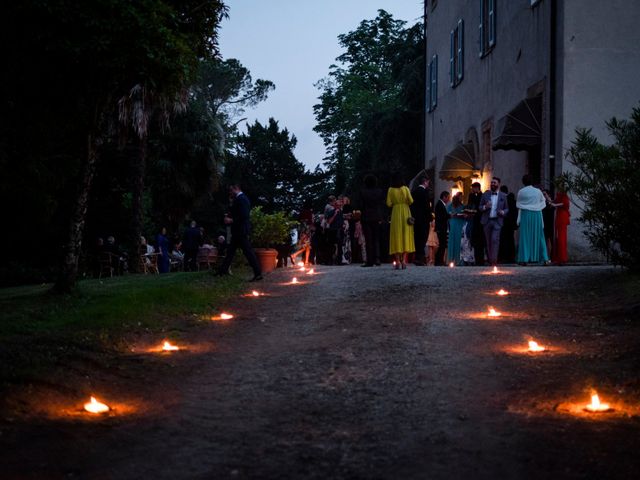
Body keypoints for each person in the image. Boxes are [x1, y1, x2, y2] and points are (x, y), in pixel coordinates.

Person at [218, 184, 263, 281]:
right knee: (231, 251)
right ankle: (223, 271)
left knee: (248, 252)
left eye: (231, 191)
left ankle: (258, 273)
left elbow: (244, 216)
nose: (230, 193)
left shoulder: (242, 199)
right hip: (238, 231)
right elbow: (238, 213)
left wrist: (231, 220)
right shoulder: (239, 199)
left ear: (236, 189)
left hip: (241, 231)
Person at [516, 174, 549, 265]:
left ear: (523, 182)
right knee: (539, 236)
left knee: (525, 237)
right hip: (536, 214)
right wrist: (537, 207)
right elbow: (543, 202)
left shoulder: (521, 192)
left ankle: (524, 259)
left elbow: (518, 204)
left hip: (526, 214)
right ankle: (544, 258)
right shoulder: (538, 191)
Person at [386, 173, 415, 269]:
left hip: (396, 213)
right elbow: (411, 201)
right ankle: (404, 261)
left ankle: (397, 260)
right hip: (405, 212)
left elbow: (388, 203)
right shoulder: (405, 189)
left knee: (396, 235)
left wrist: (396, 202)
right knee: (406, 234)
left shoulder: (390, 190)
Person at [479, 176, 509, 266]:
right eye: (491, 182)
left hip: (497, 221)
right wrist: (485, 207)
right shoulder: (485, 195)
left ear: (498, 184)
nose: (492, 184)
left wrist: (503, 212)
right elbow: (480, 207)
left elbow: (507, 208)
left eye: (494, 183)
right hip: (487, 221)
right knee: (488, 241)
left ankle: (494, 261)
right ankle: (490, 260)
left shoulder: (503, 196)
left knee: (494, 240)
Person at [360, 174, 386, 267]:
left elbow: (361, 205)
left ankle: (369, 260)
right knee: (376, 239)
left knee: (368, 239)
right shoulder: (380, 191)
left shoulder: (363, 192)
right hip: (377, 216)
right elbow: (382, 204)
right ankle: (377, 259)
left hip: (366, 217)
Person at [410, 175, 432, 266]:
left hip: (416, 218)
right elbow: (427, 206)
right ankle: (420, 258)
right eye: (428, 182)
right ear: (425, 182)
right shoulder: (425, 192)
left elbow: (412, 205)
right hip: (424, 219)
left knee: (417, 238)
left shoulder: (414, 192)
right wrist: (430, 217)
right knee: (423, 238)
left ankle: (417, 257)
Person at [551, 184, 571, 265]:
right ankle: (559, 258)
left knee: (561, 238)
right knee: (559, 238)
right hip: (559, 216)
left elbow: (564, 203)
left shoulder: (564, 195)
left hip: (562, 217)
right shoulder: (559, 195)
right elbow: (554, 201)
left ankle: (562, 258)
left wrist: (555, 205)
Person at [467, 182, 485, 265]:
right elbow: (469, 205)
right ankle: (476, 259)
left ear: (477, 187)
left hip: (480, 220)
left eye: (473, 188)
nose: (472, 189)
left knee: (481, 241)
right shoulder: (471, 196)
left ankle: (481, 259)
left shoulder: (483, 195)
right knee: (474, 240)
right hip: (473, 220)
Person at [498, 185, 517, 263]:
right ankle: (511, 257)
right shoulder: (512, 200)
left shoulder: (502, 200)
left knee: (502, 240)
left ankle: (503, 257)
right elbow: (515, 212)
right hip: (511, 224)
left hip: (503, 223)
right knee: (510, 240)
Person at [447, 192, 466, 265]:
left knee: (459, 241)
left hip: (460, 223)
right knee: (452, 241)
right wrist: (451, 214)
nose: (462, 198)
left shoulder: (462, 206)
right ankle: (451, 259)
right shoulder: (450, 205)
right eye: (461, 197)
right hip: (453, 223)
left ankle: (459, 260)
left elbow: (464, 214)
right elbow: (447, 213)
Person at [434, 191, 451, 266]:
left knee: (442, 244)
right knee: (442, 244)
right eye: (448, 197)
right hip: (441, 228)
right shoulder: (440, 204)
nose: (448, 199)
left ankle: (439, 261)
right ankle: (439, 261)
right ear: (444, 197)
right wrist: (449, 215)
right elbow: (441, 216)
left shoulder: (441, 204)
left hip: (441, 227)